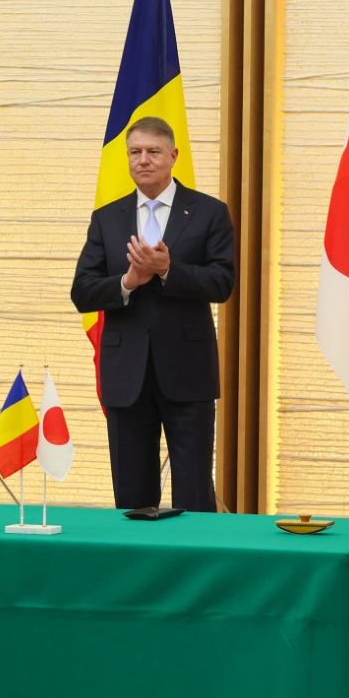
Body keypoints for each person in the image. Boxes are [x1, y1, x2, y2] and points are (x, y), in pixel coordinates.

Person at [70, 116, 235, 512]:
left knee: (194, 492)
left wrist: (166, 270)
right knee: (132, 496)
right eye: (135, 152)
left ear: (173, 156)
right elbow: (82, 291)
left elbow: (222, 283)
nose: (143, 160)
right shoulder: (107, 218)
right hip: (126, 374)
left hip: (187, 371)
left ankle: (196, 568)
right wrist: (128, 279)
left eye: (153, 151)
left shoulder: (210, 212)